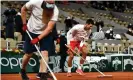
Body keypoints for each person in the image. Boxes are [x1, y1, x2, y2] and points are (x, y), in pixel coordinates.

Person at [20, 0, 59, 80]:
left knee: (45, 53)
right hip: (31, 30)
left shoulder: (55, 11)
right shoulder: (34, 2)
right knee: (28, 54)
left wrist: (38, 38)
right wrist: (24, 23)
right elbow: (23, 9)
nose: (48, 10)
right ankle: (23, 70)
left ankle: (43, 74)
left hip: (45, 32)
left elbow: (49, 28)